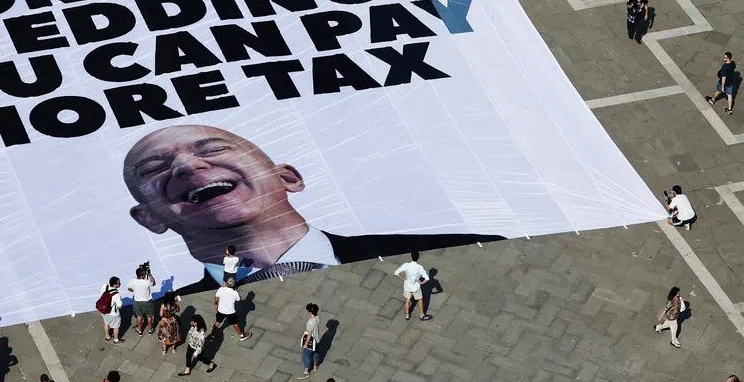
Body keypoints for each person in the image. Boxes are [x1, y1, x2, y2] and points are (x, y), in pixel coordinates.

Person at [123, 124, 501, 293]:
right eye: (154, 169)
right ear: (150, 217)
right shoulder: (163, 316)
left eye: (213, 150)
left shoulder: (472, 249)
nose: (188, 167)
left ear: (289, 177)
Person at [394, 252, 432, 321]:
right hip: (416, 288)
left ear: (411, 257)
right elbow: (427, 278)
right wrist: (421, 282)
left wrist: (403, 279)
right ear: (418, 258)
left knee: (407, 300)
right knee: (420, 300)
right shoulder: (419, 267)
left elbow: (396, 272)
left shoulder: (406, 265)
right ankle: (422, 315)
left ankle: (407, 315)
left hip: (407, 286)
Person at [211, 276, 250, 341]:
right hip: (230, 312)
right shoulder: (235, 293)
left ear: (226, 283)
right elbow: (239, 299)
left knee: (217, 323)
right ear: (234, 285)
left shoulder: (221, 289)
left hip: (221, 310)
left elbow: (216, 297)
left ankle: (212, 337)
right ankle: (242, 336)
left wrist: (215, 305)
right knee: (235, 324)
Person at [127, 265, 157, 335]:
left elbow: (129, 288)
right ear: (143, 275)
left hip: (137, 302)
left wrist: (134, 291)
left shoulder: (133, 281)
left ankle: (139, 330)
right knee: (149, 316)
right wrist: (150, 275)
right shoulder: (147, 282)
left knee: (139, 316)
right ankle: (150, 330)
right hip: (147, 301)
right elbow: (154, 283)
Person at [99, 276, 124, 343]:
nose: (120, 284)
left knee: (106, 323)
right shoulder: (116, 295)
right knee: (116, 327)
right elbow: (120, 306)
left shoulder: (105, 286)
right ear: (114, 285)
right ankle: (116, 339)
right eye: (119, 283)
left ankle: (107, 337)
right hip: (113, 313)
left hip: (103, 311)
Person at [299, 302, 321, 378]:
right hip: (317, 339)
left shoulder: (310, 322)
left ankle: (306, 370)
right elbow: (317, 328)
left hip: (311, 341)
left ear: (310, 312)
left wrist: (306, 344)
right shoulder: (317, 317)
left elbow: (309, 334)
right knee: (315, 353)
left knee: (306, 355)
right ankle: (315, 366)